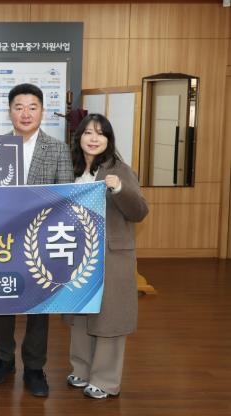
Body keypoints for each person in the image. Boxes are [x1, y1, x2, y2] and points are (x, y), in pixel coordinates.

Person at [0, 83, 74, 397]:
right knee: (2, 299)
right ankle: (3, 358)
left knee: (39, 304)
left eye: (32, 107)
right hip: (2, 239)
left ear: (42, 111)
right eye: (19, 107)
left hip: (42, 238)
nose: (25, 113)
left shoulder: (58, 149)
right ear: (9, 111)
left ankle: (35, 366)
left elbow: (66, 197)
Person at [63, 113, 148, 399]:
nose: (94, 138)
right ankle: (82, 369)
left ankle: (106, 380)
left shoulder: (120, 170)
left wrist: (119, 189)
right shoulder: (71, 168)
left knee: (110, 317)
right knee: (81, 315)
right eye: (88, 132)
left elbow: (139, 212)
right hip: (78, 253)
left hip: (111, 255)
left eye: (101, 133)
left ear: (109, 139)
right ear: (79, 137)